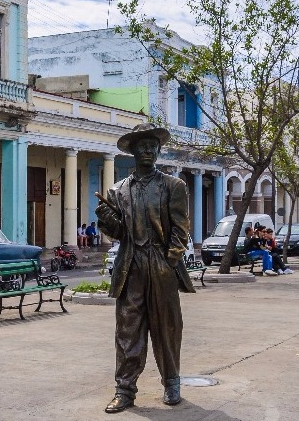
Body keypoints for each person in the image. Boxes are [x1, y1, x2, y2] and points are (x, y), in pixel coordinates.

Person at [95, 123, 195, 413]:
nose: (148, 150)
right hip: (131, 265)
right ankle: (124, 390)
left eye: (153, 146)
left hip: (160, 263)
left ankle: (172, 382)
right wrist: (105, 217)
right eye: (143, 146)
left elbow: (180, 228)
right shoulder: (118, 191)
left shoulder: (174, 186)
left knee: (167, 326)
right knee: (127, 329)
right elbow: (118, 233)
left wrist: (171, 260)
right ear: (134, 151)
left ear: (158, 150)